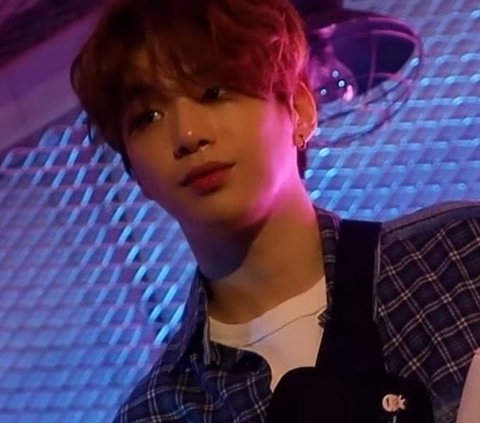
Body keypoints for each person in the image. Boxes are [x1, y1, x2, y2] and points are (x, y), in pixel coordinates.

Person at [70, 0, 480, 421]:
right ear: (135, 172)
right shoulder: (161, 413)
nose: (187, 134)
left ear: (299, 109)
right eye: (148, 117)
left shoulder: (459, 256)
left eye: (214, 92)